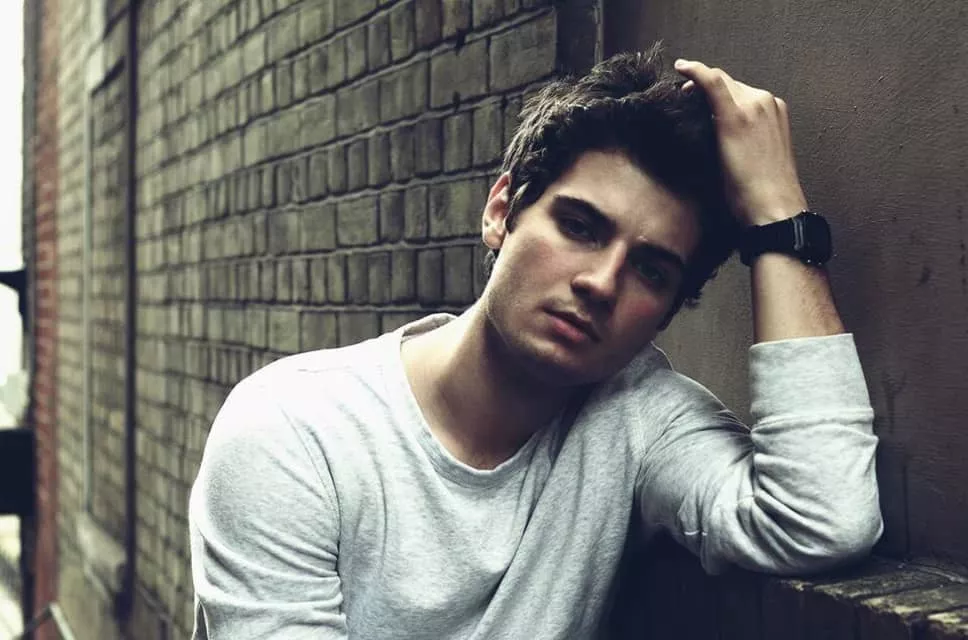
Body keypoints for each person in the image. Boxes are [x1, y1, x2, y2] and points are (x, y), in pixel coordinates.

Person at [188, 44, 882, 639]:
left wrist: (779, 215)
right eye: (580, 227)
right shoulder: (294, 430)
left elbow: (820, 519)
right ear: (502, 211)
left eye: (650, 270)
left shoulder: (638, 419)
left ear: (668, 311)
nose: (601, 283)